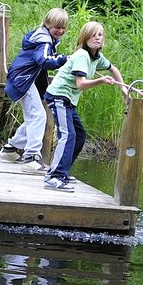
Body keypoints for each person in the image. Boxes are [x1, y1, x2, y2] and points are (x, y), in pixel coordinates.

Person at [40, 20, 126, 191]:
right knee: (68, 135)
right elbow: (81, 84)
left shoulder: (96, 57)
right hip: (59, 96)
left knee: (79, 135)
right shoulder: (82, 56)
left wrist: (123, 88)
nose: (97, 38)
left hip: (68, 101)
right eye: (93, 35)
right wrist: (100, 81)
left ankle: (61, 172)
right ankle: (54, 176)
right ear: (85, 38)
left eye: (100, 35)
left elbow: (113, 69)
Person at [0, 8, 69, 172]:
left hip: (22, 80)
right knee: (38, 116)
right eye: (56, 27)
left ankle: (10, 150)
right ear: (47, 24)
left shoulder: (45, 38)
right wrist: (64, 59)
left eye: (63, 27)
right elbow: (43, 61)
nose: (60, 31)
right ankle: (31, 157)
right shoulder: (44, 41)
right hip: (22, 80)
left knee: (35, 117)